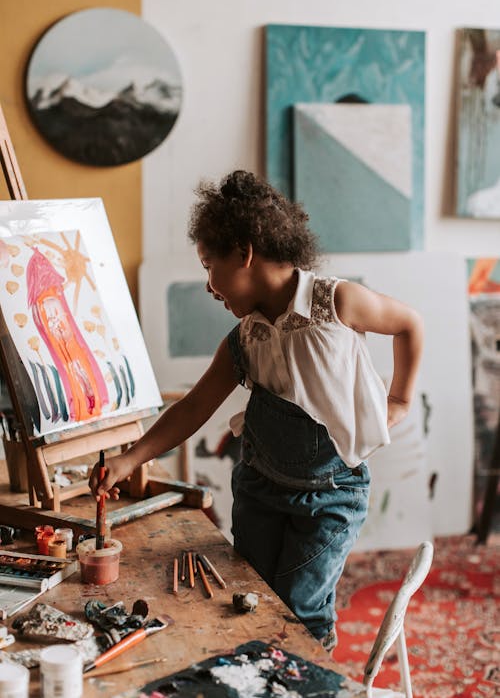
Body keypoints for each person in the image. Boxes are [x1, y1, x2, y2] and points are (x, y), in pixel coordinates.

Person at [89, 170, 424, 651]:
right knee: (251, 601)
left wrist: (400, 399)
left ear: (244, 252)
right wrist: (131, 457)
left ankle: (309, 678)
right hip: (260, 490)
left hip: (329, 500)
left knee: (299, 614)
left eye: (209, 265)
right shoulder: (244, 337)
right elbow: (195, 407)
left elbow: (409, 323)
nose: (207, 285)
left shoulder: (335, 303)